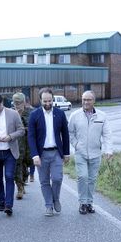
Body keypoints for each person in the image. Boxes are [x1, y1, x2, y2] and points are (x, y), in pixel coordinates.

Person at [68, 90, 112, 215]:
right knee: (83, 177)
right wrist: (76, 145)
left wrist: (109, 150)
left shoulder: (102, 116)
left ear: (94, 101)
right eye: (84, 99)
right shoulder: (75, 115)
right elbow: (70, 132)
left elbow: (107, 134)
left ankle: (89, 203)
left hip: (95, 153)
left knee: (92, 179)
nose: (86, 102)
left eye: (88, 100)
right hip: (80, 152)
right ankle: (82, 202)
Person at [27, 88, 70, 216]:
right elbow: (31, 137)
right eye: (45, 101)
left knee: (57, 178)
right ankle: (49, 205)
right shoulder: (34, 115)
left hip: (56, 152)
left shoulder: (60, 114)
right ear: (40, 100)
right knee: (44, 181)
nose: (47, 103)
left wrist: (66, 153)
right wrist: (34, 155)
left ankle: (55, 198)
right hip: (41, 154)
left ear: (52, 100)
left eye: (50, 101)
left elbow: (65, 134)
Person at [12, 92, 34, 200]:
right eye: (15, 103)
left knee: (27, 163)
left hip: (29, 142)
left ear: (24, 102)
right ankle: (19, 187)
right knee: (17, 163)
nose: (17, 105)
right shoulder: (11, 113)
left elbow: (34, 127)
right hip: (17, 143)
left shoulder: (31, 112)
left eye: (19, 103)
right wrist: (17, 115)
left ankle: (24, 180)